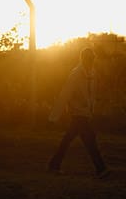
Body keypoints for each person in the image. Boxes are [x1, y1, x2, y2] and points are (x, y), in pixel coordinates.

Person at [47, 47, 110, 179]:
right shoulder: (76, 74)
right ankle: (101, 169)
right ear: (83, 59)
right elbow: (65, 94)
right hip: (79, 113)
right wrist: (54, 116)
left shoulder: (92, 73)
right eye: (89, 59)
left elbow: (92, 93)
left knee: (68, 140)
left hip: (85, 113)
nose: (91, 61)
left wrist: (92, 108)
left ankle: (54, 165)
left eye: (92, 59)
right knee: (90, 141)